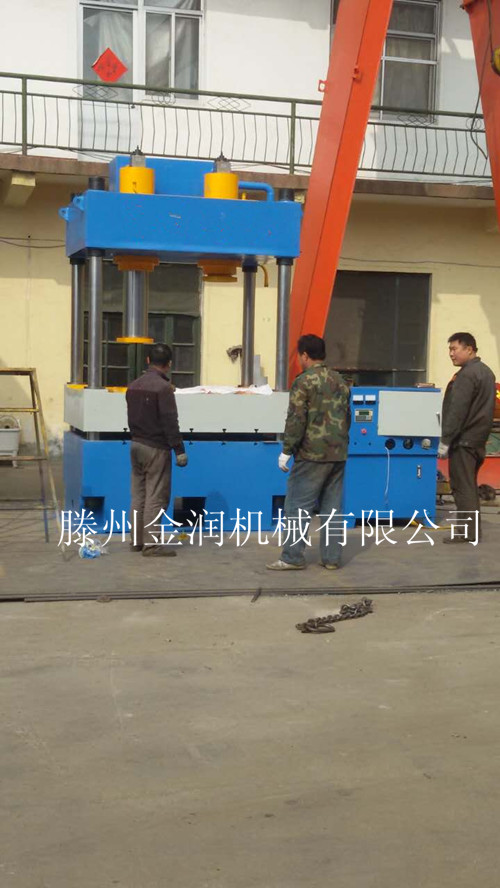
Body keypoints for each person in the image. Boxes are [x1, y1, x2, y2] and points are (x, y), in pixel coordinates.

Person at [267, 334, 351, 571]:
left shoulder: (303, 382)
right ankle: (331, 558)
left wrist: (287, 450)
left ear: (304, 355)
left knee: (297, 506)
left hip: (311, 454)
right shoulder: (340, 381)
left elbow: (296, 419)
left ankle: (292, 557)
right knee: (332, 509)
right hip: (338, 453)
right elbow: (347, 417)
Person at [126, 343, 188, 556]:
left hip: (136, 445)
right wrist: (179, 449)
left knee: (138, 495)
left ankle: (137, 541)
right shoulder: (163, 389)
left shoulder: (133, 386)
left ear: (147, 361)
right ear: (169, 364)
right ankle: (151, 545)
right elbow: (170, 421)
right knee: (156, 497)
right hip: (156, 448)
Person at [438, 332, 496, 544]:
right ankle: (470, 531)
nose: (451, 354)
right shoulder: (486, 372)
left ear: (469, 349)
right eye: (450, 349)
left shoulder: (467, 375)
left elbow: (457, 411)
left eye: (454, 349)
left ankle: (467, 533)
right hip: (477, 440)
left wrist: (445, 440)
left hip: (463, 440)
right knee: (468, 485)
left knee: (463, 487)